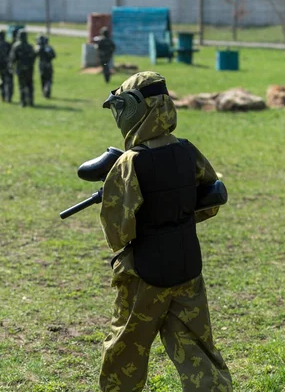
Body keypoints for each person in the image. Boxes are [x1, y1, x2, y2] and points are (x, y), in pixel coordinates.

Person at [98, 71, 233, 391]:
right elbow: (210, 198)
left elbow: (117, 232)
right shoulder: (188, 150)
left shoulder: (129, 163)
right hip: (187, 268)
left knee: (124, 353)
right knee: (198, 352)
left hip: (143, 274)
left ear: (136, 108)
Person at [8, 29, 36, 107]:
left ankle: (23, 102)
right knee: (30, 85)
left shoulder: (16, 46)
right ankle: (31, 101)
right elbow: (34, 57)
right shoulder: (30, 46)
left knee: (22, 85)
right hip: (29, 69)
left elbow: (12, 58)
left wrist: (11, 67)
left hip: (20, 68)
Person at [35, 34, 56, 99]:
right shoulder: (49, 47)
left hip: (41, 65)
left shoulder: (38, 47)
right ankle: (47, 91)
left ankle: (45, 92)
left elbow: (34, 55)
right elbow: (54, 56)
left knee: (43, 79)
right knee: (49, 79)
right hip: (48, 65)